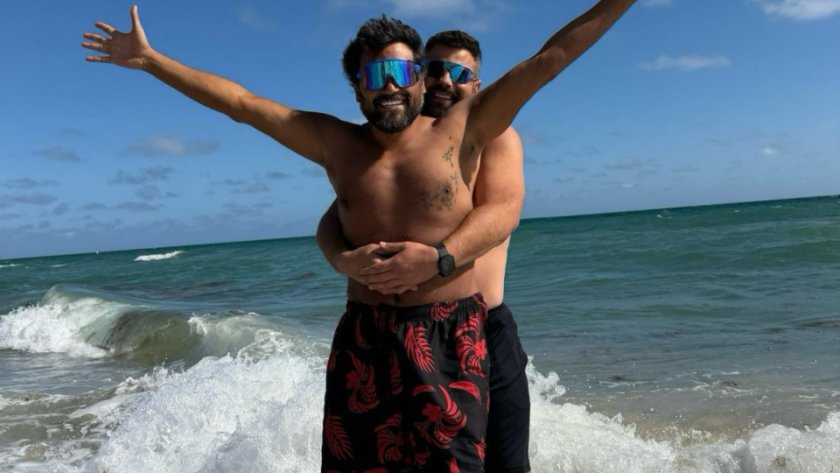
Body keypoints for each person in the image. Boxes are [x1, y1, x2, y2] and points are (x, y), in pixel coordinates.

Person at [82, 1, 635, 470]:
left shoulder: (465, 130)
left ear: (418, 78)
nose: (389, 86)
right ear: (357, 90)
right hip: (364, 340)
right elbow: (243, 105)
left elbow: (549, 59)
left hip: (448, 336)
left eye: (400, 72)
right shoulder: (337, 145)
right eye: (374, 76)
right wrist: (151, 61)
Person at [315, 30, 530, 472]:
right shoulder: (393, 147)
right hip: (403, 332)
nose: (445, 80)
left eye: (459, 73)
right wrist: (341, 259)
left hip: (480, 326)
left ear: (477, 85)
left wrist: (438, 258)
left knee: (507, 462)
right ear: (417, 76)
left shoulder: (493, 136)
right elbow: (336, 215)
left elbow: (503, 211)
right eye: (435, 69)